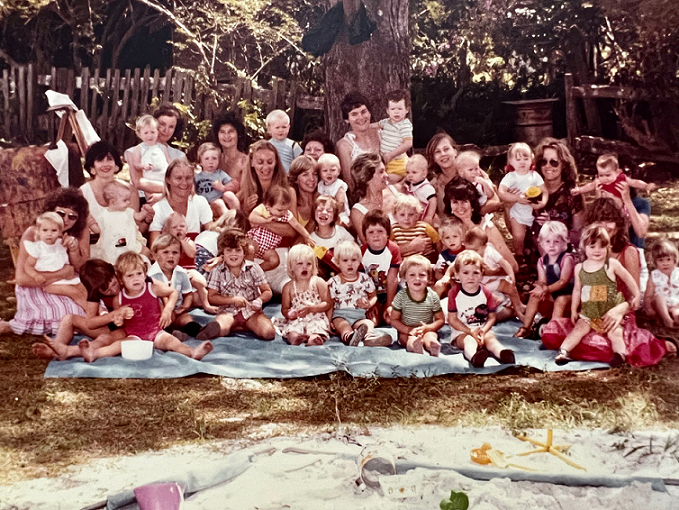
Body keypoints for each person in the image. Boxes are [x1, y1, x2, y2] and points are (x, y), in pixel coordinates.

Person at [542, 197, 668, 367]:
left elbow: (634, 297)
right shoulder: (589, 252)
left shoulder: (628, 252)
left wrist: (617, 311)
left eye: (609, 220)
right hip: (591, 312)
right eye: (599, 220)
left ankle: (633, 350)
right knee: (554, 331)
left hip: (619, 312)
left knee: (624, 345)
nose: (604, 226)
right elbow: (580, 289)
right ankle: (569, 350)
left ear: (617, 224)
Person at [78, 252, 213, 362]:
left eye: (139, 274)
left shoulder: (151, 286)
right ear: (122, 278)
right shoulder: (117, 299)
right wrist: (118, 318)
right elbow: (118, 322)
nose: (136, 279)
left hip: (156, 331)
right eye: (130, 276)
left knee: (172, 342)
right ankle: (93, 354)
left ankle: (192, 352)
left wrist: (167, 309)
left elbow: (173, 292)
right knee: (118, 345)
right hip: (134, 335)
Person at [0, 188, 90, 337]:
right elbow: (22, 279)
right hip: (36, 282)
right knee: (61, 313)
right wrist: (61, 273)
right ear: (50, 210)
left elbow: (83, 270)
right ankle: (9, 326)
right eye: (61, 213)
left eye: (72, 217)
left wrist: (74, 251)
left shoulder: (80, 231)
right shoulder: (35, 232)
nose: (65, 220)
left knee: (81, 310)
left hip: (68, 282)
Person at [555, 224, 640, 367]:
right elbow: (577, 290)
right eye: (592, 246)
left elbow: (628, 279)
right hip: (590, 310)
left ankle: (620, 355)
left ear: (608, 247)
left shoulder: (611, 264)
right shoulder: (580, 268)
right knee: (579, 329)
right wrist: (574, 309)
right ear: (584, 248)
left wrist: (636, 294)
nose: (597, 250)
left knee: (615, 332)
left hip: (609, 310)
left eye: (602, 246)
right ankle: (564, 351)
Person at [33, 259, 130, 360]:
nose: (114, 290)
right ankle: (57, 347)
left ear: (114, 272)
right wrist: (112, 315)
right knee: (69, 319)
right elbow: (90, 323)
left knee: (104, 339)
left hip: (129, 330)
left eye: (114, 284)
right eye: (107, 291)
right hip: (113, 327)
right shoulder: (95, 291)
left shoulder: (127, 279)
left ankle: (67, 351)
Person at [197, 229, 276, 341]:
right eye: (229, 250)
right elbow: (211, 297)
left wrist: (259, 300)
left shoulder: (254, 268)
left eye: (238, 250)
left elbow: (267, 291)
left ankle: (240, 326)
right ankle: (215, 329)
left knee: (268, 333)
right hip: (228, 313)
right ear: (222, 253)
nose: (233, 254)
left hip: (251, 313)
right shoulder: (217, 271)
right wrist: (233, 300)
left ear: (244, 253)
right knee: (221, 327)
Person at [447, 250, 516, 367]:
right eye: (466, 272)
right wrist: (470, 332)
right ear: (457, 274)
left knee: (491, 339)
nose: (471, 277)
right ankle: (475, 357)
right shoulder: (454, 293)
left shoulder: (486, 292)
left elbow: (492, 317)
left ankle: (503, 353)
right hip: (462, 332)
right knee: (468, 341)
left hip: (482, 330)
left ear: (481, 274)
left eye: (475, 273)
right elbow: (452, 319)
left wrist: (483, 331)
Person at [444, 177, 518, 272]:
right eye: (455, 202)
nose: (460, 207)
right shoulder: (451, 228)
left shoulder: (487, 227)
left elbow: (513, 266)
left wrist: (490, 273)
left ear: (472, 204)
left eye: (464, 202)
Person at [515, 221, 574, 338]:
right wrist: (539, 288)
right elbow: (542, 281)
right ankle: (526, 327)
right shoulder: (541, 261)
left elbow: (563, 281)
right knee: (534, 296)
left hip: (570, 294)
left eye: (556, 241)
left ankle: (553, 330)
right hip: (551, 291)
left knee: (560, 301)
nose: (552, 245)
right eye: (548, 241)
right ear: (541, 243)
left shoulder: (567, 258)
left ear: (564, 243)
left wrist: (545, 289)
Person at [328, 240, 392, 347]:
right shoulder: (334, 281)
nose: (350, 263)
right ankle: (349, 337)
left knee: (368, 323)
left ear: (359, 262)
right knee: (342, 325)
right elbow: (330, 303)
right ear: (338, 263)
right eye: (345, 260)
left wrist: (368, 304)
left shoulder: (365, 279)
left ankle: (370, 338)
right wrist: (328, 321)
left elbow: (373, 296)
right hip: (340, 315)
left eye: (354, 260)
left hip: (359, 315)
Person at [80, 141, 147, 236]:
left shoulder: (129, 190)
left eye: (109, 159)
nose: (105, 164)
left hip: (124, 242)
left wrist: (147, 220)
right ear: (92, 167)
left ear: (116, 165)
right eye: (100, 160)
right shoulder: (82, 193)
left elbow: (135, 226)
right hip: (93, 244)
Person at [23, 212, 88, 309]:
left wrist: (72, 244)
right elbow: (28, 266)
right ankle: (89, 312)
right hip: (51, 283)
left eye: (54, 230)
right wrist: (35, 275)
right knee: (74, 292)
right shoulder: (38, 248)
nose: (49, 234)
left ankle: (99, 311)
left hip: (66, 278)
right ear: (39, 231)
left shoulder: (60, 244)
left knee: (84, 289)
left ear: (60, 232)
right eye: (45, 230)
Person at [530, 137, 585, 250]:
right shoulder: (531, 189)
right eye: (543, 162)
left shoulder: (572, 193)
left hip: (560, 255)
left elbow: (579, 236)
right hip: (532, 252)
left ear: (564, 164)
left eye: (554, 162)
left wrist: (553, 227)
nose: (548, 166)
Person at [126, 104, 186, 204]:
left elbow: (188, 185)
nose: (165, 131)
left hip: (172, 200)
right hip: (142, 200)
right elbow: (138, 182)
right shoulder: (134, 151)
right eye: (162, 124)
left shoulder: (179, 155)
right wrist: (172, 190)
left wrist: (165, 194)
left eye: (171, 127)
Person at [148, 234, 205, 338]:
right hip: (160, 311)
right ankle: (171, 332)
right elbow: (154, 299)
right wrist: (168, 311)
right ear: (155, 255)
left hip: (177, 309)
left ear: (181, 255)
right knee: (160, 319)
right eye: (165, 252)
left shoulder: (181, 273)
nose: (171, 256)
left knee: (186, 318)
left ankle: (199, 331)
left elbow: (188, 294)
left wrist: (186, 306)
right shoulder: (151, 276)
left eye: (175, 252)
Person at [463, 227, 525, 322]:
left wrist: (511, 275)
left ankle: (518, 306)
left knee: (509, 285)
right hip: (480, 287)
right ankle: (506, 309)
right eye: (468, 250)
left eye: (475, 250)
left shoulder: (490, 252)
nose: (472, 253)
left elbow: (504, 263)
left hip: (494, 282)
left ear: (484, 246)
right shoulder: (467, 256)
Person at [161, 212, 219, 314]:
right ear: (168, 231)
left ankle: (206, 305)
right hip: (174, 273)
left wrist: (182, 241)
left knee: (200, 282)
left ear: (187, 229)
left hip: (189, 271)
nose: (179, 229)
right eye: (174, 227)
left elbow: (192, 253)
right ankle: (174, 306)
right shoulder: (166, 243)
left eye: (182, 226)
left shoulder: (189, 241)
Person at [498, 142, 548, 257]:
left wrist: (542, 203)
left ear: (532, 159)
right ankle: (519, 255)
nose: (522, 162)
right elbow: (501, 192)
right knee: (518, 236)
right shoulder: (511, 176)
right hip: (517, 213)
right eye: (518, 159)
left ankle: (539, 256)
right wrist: (515, 198)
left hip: (533, 211)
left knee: (538, 236)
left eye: (526, 158)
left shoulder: (534, 175)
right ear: (510, 161)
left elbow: (544, 191)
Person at [275, 245, 332, 346]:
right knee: (292, 328)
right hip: (298, 318)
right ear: (291, 267)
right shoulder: (288, 287)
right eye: (300, 263)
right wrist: (289, 314)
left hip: (316, 317)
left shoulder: (318, 282)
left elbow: (327, 303)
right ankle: (295, 338)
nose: (304, 267)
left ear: (314, 266)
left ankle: (314, 339)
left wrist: (312, 309)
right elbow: (284, 308)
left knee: (317, 327)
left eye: (308, 264)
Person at [148, 159, 214, 246]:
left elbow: (211, 231)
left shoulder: (199, 202)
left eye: (188, 178)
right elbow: (154, 246)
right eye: (178, 178)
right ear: (168, 180)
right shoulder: (158, 209)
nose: (184, 183)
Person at [248, 186, 314, 271]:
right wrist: (266, 220)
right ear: (268, 206)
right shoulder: (263, 208)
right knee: (249, 249)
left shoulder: (286, 214)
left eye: (286, 209)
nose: (283, 212)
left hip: (267, 250)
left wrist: (306, 236)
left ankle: (257, 270)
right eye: (280, 210)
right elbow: (252, 217)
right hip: (254, 241)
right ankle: (247, 271)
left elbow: (296, 225)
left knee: (275, 261)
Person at [391, 255, 445, 356]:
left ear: (428, 278)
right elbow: (394, 319)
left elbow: (440, 319)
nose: (417, 278)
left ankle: (432, 346)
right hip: (406, 330)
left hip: (426, 329)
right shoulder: (401, 296)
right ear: (404, 278)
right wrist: (408, 330)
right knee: (406, 338)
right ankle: (414, 346)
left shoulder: (432, 296)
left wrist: (428, 328)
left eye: (422, 275)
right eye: (412, 275)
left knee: (431, 335)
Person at [90, 180, 150, 264]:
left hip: (130, 243)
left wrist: (144, 212)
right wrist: (91, 224)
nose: (129, 202)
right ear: (112, 202)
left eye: (129, 199)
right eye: (125, 200)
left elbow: (139, 217)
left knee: (144, 253)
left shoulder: (128, 211)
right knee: (114, 263)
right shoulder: (103, 216)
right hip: (112, 247)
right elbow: (98, 230)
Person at [349, 152, 402, 246]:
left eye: (385, 170)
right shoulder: (358, 211)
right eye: (381, 172)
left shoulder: (397, 191)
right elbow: (372, 247)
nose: (386, 175)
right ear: (367, 177)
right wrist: (410, 247)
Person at [361, 210, 401, 325]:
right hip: (371, 293)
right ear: (365, 236)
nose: (376, 235)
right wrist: (371, 304)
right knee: (374, 321)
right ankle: (369, 333)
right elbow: (361, 280)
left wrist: (389, 304)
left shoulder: (393, 249)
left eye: (380, 231)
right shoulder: (361, 252)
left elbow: (392, 278)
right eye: (371, 232)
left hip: (391, 291)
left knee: (390, 319)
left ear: (388, 234)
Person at [336, 92, 381, 186]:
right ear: (347, 120)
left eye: (364, 111)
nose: (360, 117)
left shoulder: (382, 133)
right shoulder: (344, 145)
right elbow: (350, 183)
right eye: (354, 114)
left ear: (370, 113)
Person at [572, 153, 655, 203]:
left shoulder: (621, 178)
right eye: (601, 175)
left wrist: (645, 186)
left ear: (617, 172)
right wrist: (579, 190)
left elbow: (635, 182)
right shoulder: (599, 181)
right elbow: (590, 186)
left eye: (608, 175)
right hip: (605, 207)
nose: (605, 178)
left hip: (619, 208)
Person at [373, 89, 413, 183]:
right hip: (386, 161)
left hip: (398, 163)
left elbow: (408, 143)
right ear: (387, 110)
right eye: (393, 109)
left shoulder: (405, 125)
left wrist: (391, 154)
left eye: (399, 109)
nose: (396, 112)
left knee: (389, 181)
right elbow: (373, 126)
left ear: (407, 109)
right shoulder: (386, 122)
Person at [193, 142, 239, 218]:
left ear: (218, 160)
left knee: (228, 196)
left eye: (214, 158)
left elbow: (234, 185)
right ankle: (229, 220)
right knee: (218, 203)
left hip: (218, 199)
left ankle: (238, 216)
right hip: (204, 203)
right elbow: (192, 191)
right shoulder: (197, 177)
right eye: (207, 159)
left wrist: (223, 188)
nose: (210, 162)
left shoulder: (220, 174)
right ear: (200, 162)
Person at [390, 194, 441, 261]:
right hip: (405, 262)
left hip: (426, 259)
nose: (406, 218)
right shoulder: (394, 229)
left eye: (411, 214)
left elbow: (437, 241)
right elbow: (389, 247)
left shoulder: (424, 227)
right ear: (395, 216)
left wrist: (439, 257)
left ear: (417, 215)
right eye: (402, 215)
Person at [644, 238, 679, 328]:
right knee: (659, 297)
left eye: (668, 259)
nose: (665, 263)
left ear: (674, 259)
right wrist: (648, 308)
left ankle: (676, 317)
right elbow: (648, 295)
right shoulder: (654, 275)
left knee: (676, 310)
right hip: (661, 305)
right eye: (661, 260)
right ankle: (667, 319)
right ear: (655, 262)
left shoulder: (677, 273)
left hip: (676, 302)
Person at [455, 150, 501, 215]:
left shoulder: (480, 182)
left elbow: (490, 194)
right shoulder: (460, 184)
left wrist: (484, 183)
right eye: (470, 170)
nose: (474, 172)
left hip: (482, 207)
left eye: (476, 169)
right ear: (461, 172)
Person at [212, 112, 248, 192]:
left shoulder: (245, 161)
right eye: (222, 132)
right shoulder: (214, 159)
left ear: (238, 134)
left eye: (231, 131)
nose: (226, 136)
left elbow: (245, 191)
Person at [425, 131, 458, 218]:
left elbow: (495, 202)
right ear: (434, 159)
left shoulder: (470, 173)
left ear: (455, 152)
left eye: (446, 149)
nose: (443, 154)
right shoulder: (433, 186)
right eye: (437, 152)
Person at [287, 154, 320, 229]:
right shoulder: (291, 204)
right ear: (295, 179)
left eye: (315, 174)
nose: (312, 179)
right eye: (305, 175)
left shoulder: (323, 200)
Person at [317, 153, 350, 226]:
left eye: (332, 170)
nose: (329, 173)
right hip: (325, 213)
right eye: (325, 171)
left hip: (339, 214)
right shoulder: (320, 185)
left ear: (338, 171)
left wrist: (333, 216)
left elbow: (341, 204)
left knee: (340, 225)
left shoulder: (338, 185)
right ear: (320, 173)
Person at [404, 154, 437, 225]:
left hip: (425, 218)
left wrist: (429, 216)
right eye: (407, 172)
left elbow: (433, 201)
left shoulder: (426, 187)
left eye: (414, 172)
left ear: (424, 173)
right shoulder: (410, 186)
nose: (410, 175)